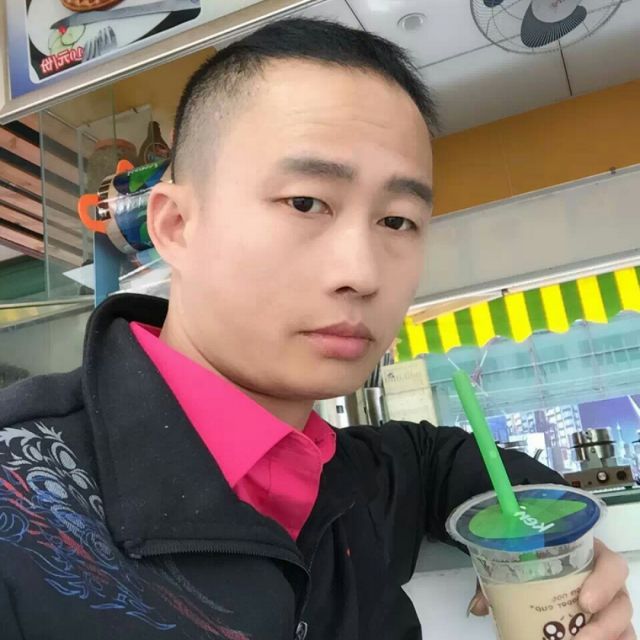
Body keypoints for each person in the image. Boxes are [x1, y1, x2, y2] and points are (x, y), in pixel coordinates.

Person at [0, 18, 633, 640]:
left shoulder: (349, 475)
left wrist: (540, 534)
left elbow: (439, 458)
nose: (362, 273)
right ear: (176, 226)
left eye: (397, 221)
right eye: (305, 202)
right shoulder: (23, 502)